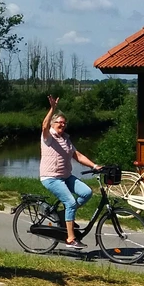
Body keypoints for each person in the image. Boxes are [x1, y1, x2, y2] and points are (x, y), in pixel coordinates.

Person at [41, 95, 103, 247]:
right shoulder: (48, 137)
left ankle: (65, 215)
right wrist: (52, 108)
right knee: (69, 202)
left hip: (65, 176)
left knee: (87, 193)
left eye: (64, 123)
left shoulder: (66, 139)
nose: (62, 125)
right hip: (51, 177)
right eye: (59, 122)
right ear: (53, 124)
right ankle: (70, 239)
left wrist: (94, 166)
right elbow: (44, 125)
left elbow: (77, 155)